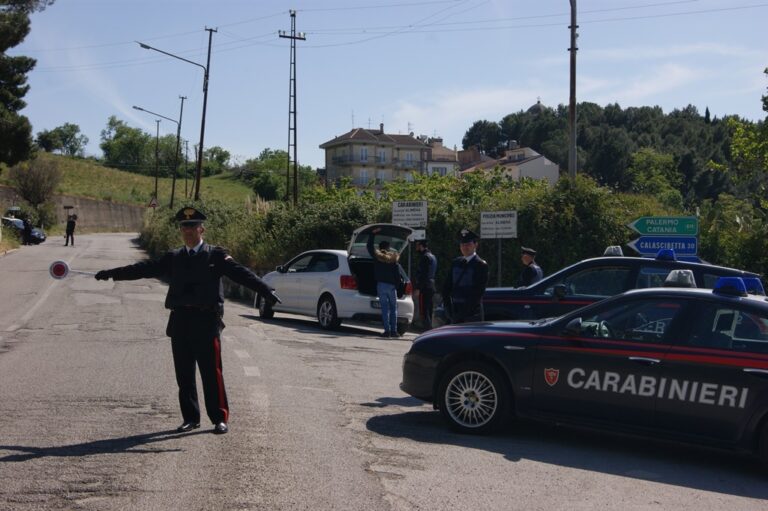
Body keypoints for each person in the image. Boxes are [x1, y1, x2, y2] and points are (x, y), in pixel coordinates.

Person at [94, 206, 281, 435]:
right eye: (184, 227)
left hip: (206, 321)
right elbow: (145, 268)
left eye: (192, 226)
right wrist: (113, 273)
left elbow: (241, 273)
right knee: (184, 374)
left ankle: (219, 418)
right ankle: (190, 418)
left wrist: (266, 291)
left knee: (212, 373)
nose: (188, 231)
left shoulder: (216, 256)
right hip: (180, 320)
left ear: (202, 229)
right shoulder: (174, 257)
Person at [442, 228, 489, 324]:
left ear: (475, 245)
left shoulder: (481, 265)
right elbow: (446, 288)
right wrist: (448, 310)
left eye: (468, 244)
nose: (465, 247)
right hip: (454, 313)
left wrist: (461, 315)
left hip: (472, 315)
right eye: (462, 244)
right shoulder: (456, 263)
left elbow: (477, 293)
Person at [366, 227, 402, 338]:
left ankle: (387, 331)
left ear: (380, 248)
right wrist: (397, 285)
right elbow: (397, 275)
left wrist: (372, 234)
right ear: (388, 248)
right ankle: (394, 331)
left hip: (381, 285)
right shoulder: (393, 260)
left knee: (385, 309)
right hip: (392, 287)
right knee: (393, 308)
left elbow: (369, 247)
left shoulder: (377, 257)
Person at [413, 239, 437, 330]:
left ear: (421, 246)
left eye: (417, 246)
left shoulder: (425, 257)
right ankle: (429, 330)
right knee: (429, 309)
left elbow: (424, 274)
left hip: (425, 287)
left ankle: (427, 331)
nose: (416, 248)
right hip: (431, 286)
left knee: (424, 311)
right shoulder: (433, 256)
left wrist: (418, 288)